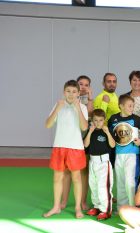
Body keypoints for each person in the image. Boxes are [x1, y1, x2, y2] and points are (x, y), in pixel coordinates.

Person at [43, 80, 88, 219]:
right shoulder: (58, 105)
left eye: (74, 92)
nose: (71, 94)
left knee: (76, 178)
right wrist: (57, 108)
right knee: (57, 177)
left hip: (76, 148)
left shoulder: (82, 107)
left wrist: (78, 108)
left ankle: (77, 207)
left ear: (78, 93)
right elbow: (48, 125)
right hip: (59, 146)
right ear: (64, 92)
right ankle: (56, 206)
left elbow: (84, 127)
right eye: (68, 91)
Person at [108, 94, 140, 210]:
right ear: (121, 106)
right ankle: (121, 207)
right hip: (118, 154)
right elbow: (110, 135)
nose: (132, 109)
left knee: (130, 181)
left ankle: (133, 207)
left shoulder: (135, 119)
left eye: (133, 106)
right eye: (129, 106)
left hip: (132, 154)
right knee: (121, 182)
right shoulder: (113, 119)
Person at [60, 75, 93, 211]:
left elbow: (90, 114)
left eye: (86, 84)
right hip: (70, 139)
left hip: (85, 140)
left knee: (83, 172)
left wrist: (90, 99)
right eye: (81, 84)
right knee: (67, 171)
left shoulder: (90, 101)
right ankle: (64, 201)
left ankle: (83, 201)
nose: (84, 87)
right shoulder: (69, 99)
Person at [84, 109, 115, 220]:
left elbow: (112, 145)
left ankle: (106, 210)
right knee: (94, 185)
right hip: (93, 161)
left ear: (104, 120)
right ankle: (97, 206)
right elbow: (85, 145)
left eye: (100, 120)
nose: (98, 123)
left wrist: (107, 133)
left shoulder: (107, 131)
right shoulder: (91, 131)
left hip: (103, 162)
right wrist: (90, 132)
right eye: (95, 120)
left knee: (103, 187)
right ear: (92, 120)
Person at [94, 72, 121, 169]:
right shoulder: (100, 98)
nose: (112, 84)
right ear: (103, 83)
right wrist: (104, 103)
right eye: (109, 81)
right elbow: (98, 118)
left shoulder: (115, 95)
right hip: (104, 135)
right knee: (105, 168)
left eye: (114, 81)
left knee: (113, 166)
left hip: (115, 134)